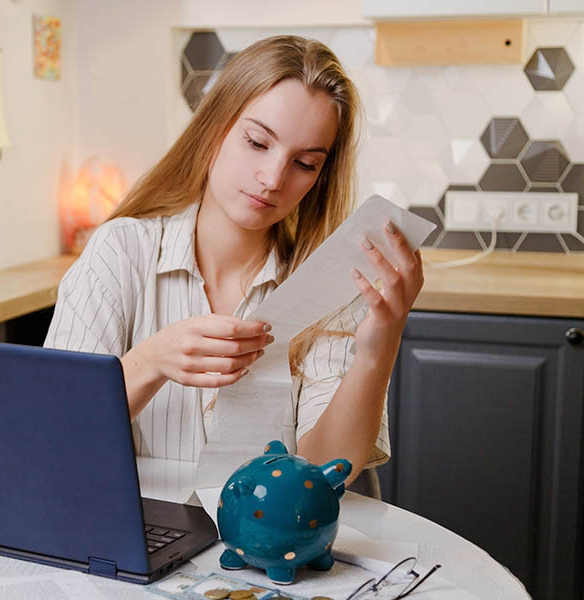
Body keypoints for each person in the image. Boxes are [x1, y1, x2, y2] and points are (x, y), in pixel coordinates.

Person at [43, 35, 423, 488]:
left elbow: (325, 473)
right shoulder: (119, 252)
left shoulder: (330, 288)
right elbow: (50, 431)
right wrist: (151, 361)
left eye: (304, 163)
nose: (272, 178)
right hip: (141, 540)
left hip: (270, 548)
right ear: (214, 128)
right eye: (257, 142)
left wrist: (378, 349)